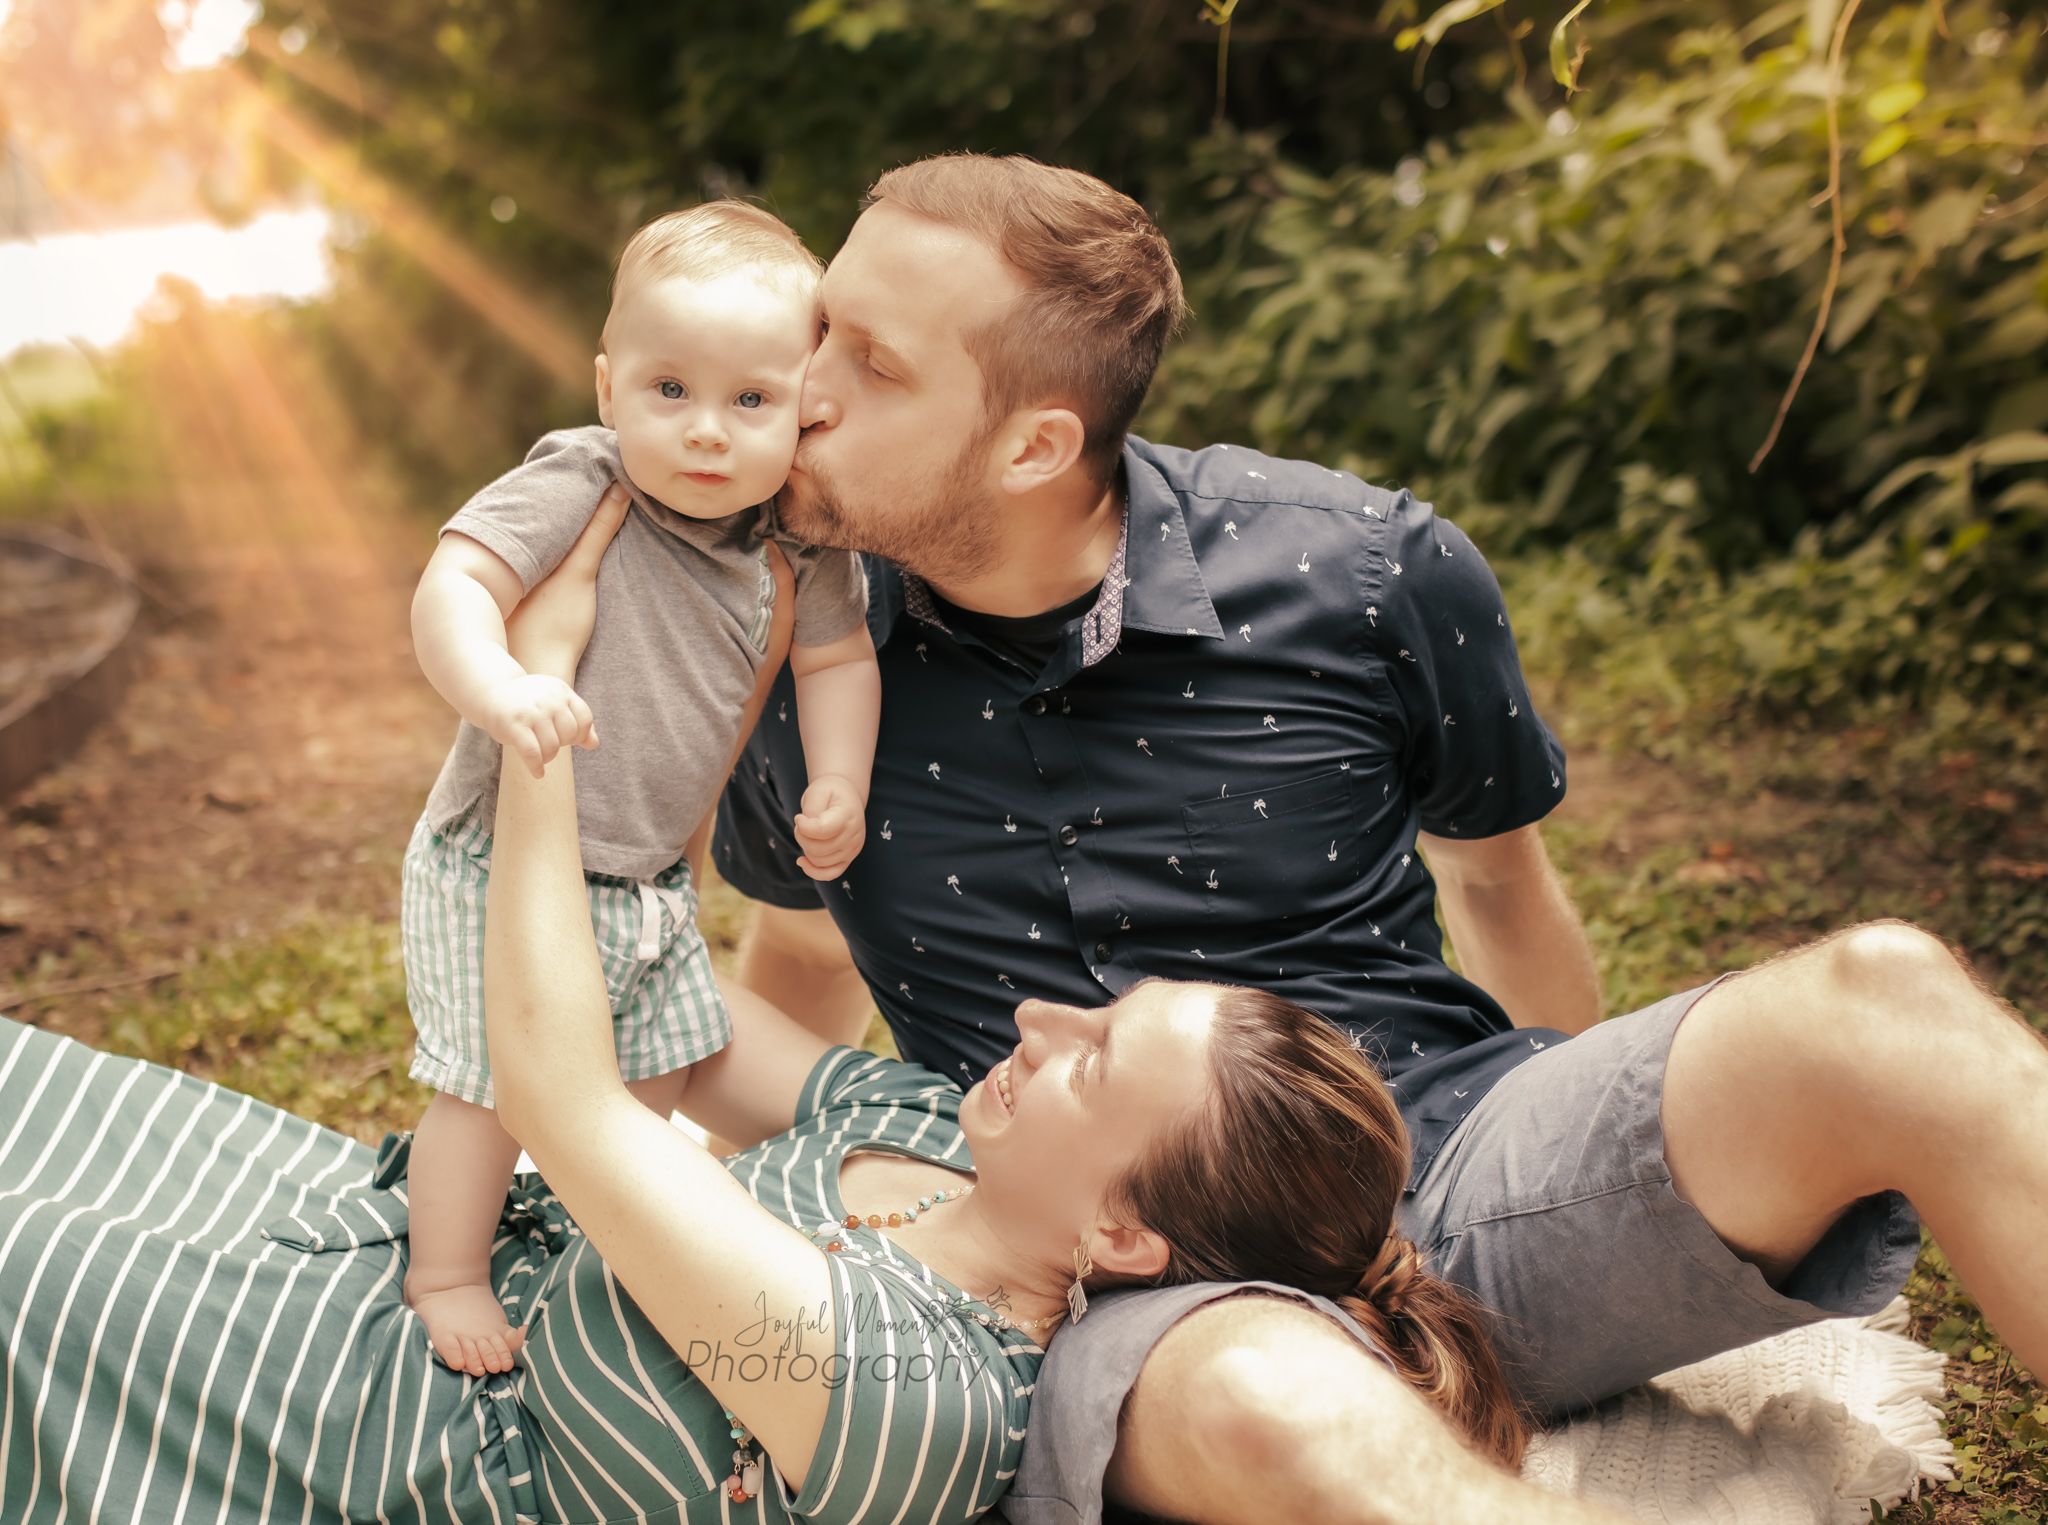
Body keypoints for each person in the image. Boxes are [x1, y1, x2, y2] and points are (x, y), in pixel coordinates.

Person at [708, 152, 2048, 1524]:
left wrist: (1596, 1179)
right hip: (1124, 1275)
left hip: (1446, 1150)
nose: (799, 388)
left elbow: (1504, 892)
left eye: (869, 360)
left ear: (1035, 444)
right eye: (822, 327)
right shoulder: (794, 663)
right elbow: (801, 967)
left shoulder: (1358, 570)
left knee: (1889, 1002)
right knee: (1267, 1400)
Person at [0, 499, 1602, 1525]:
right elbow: (679, 1034)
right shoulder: (928, 1134)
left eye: (1089, 1063)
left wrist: (551, 722)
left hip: (323, 1432)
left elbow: (563, 1093)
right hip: (351, 1244)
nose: (1035, 1023)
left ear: (1123, 1240)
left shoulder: (913, 1396)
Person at [402, 200, 880, 1374]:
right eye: (670, 391)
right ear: (610, 386)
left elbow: (838, 660)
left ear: (802, 411)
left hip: (646, 873)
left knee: (653, 1063)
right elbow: (452, 582)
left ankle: (586, 1221)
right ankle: (444, 1269)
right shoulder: (580, 475)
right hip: (498, 855)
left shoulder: (798, 543)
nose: (706, 432)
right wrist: (499, 686)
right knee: (489, 1083)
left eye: (749, 402)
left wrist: (841, 782)